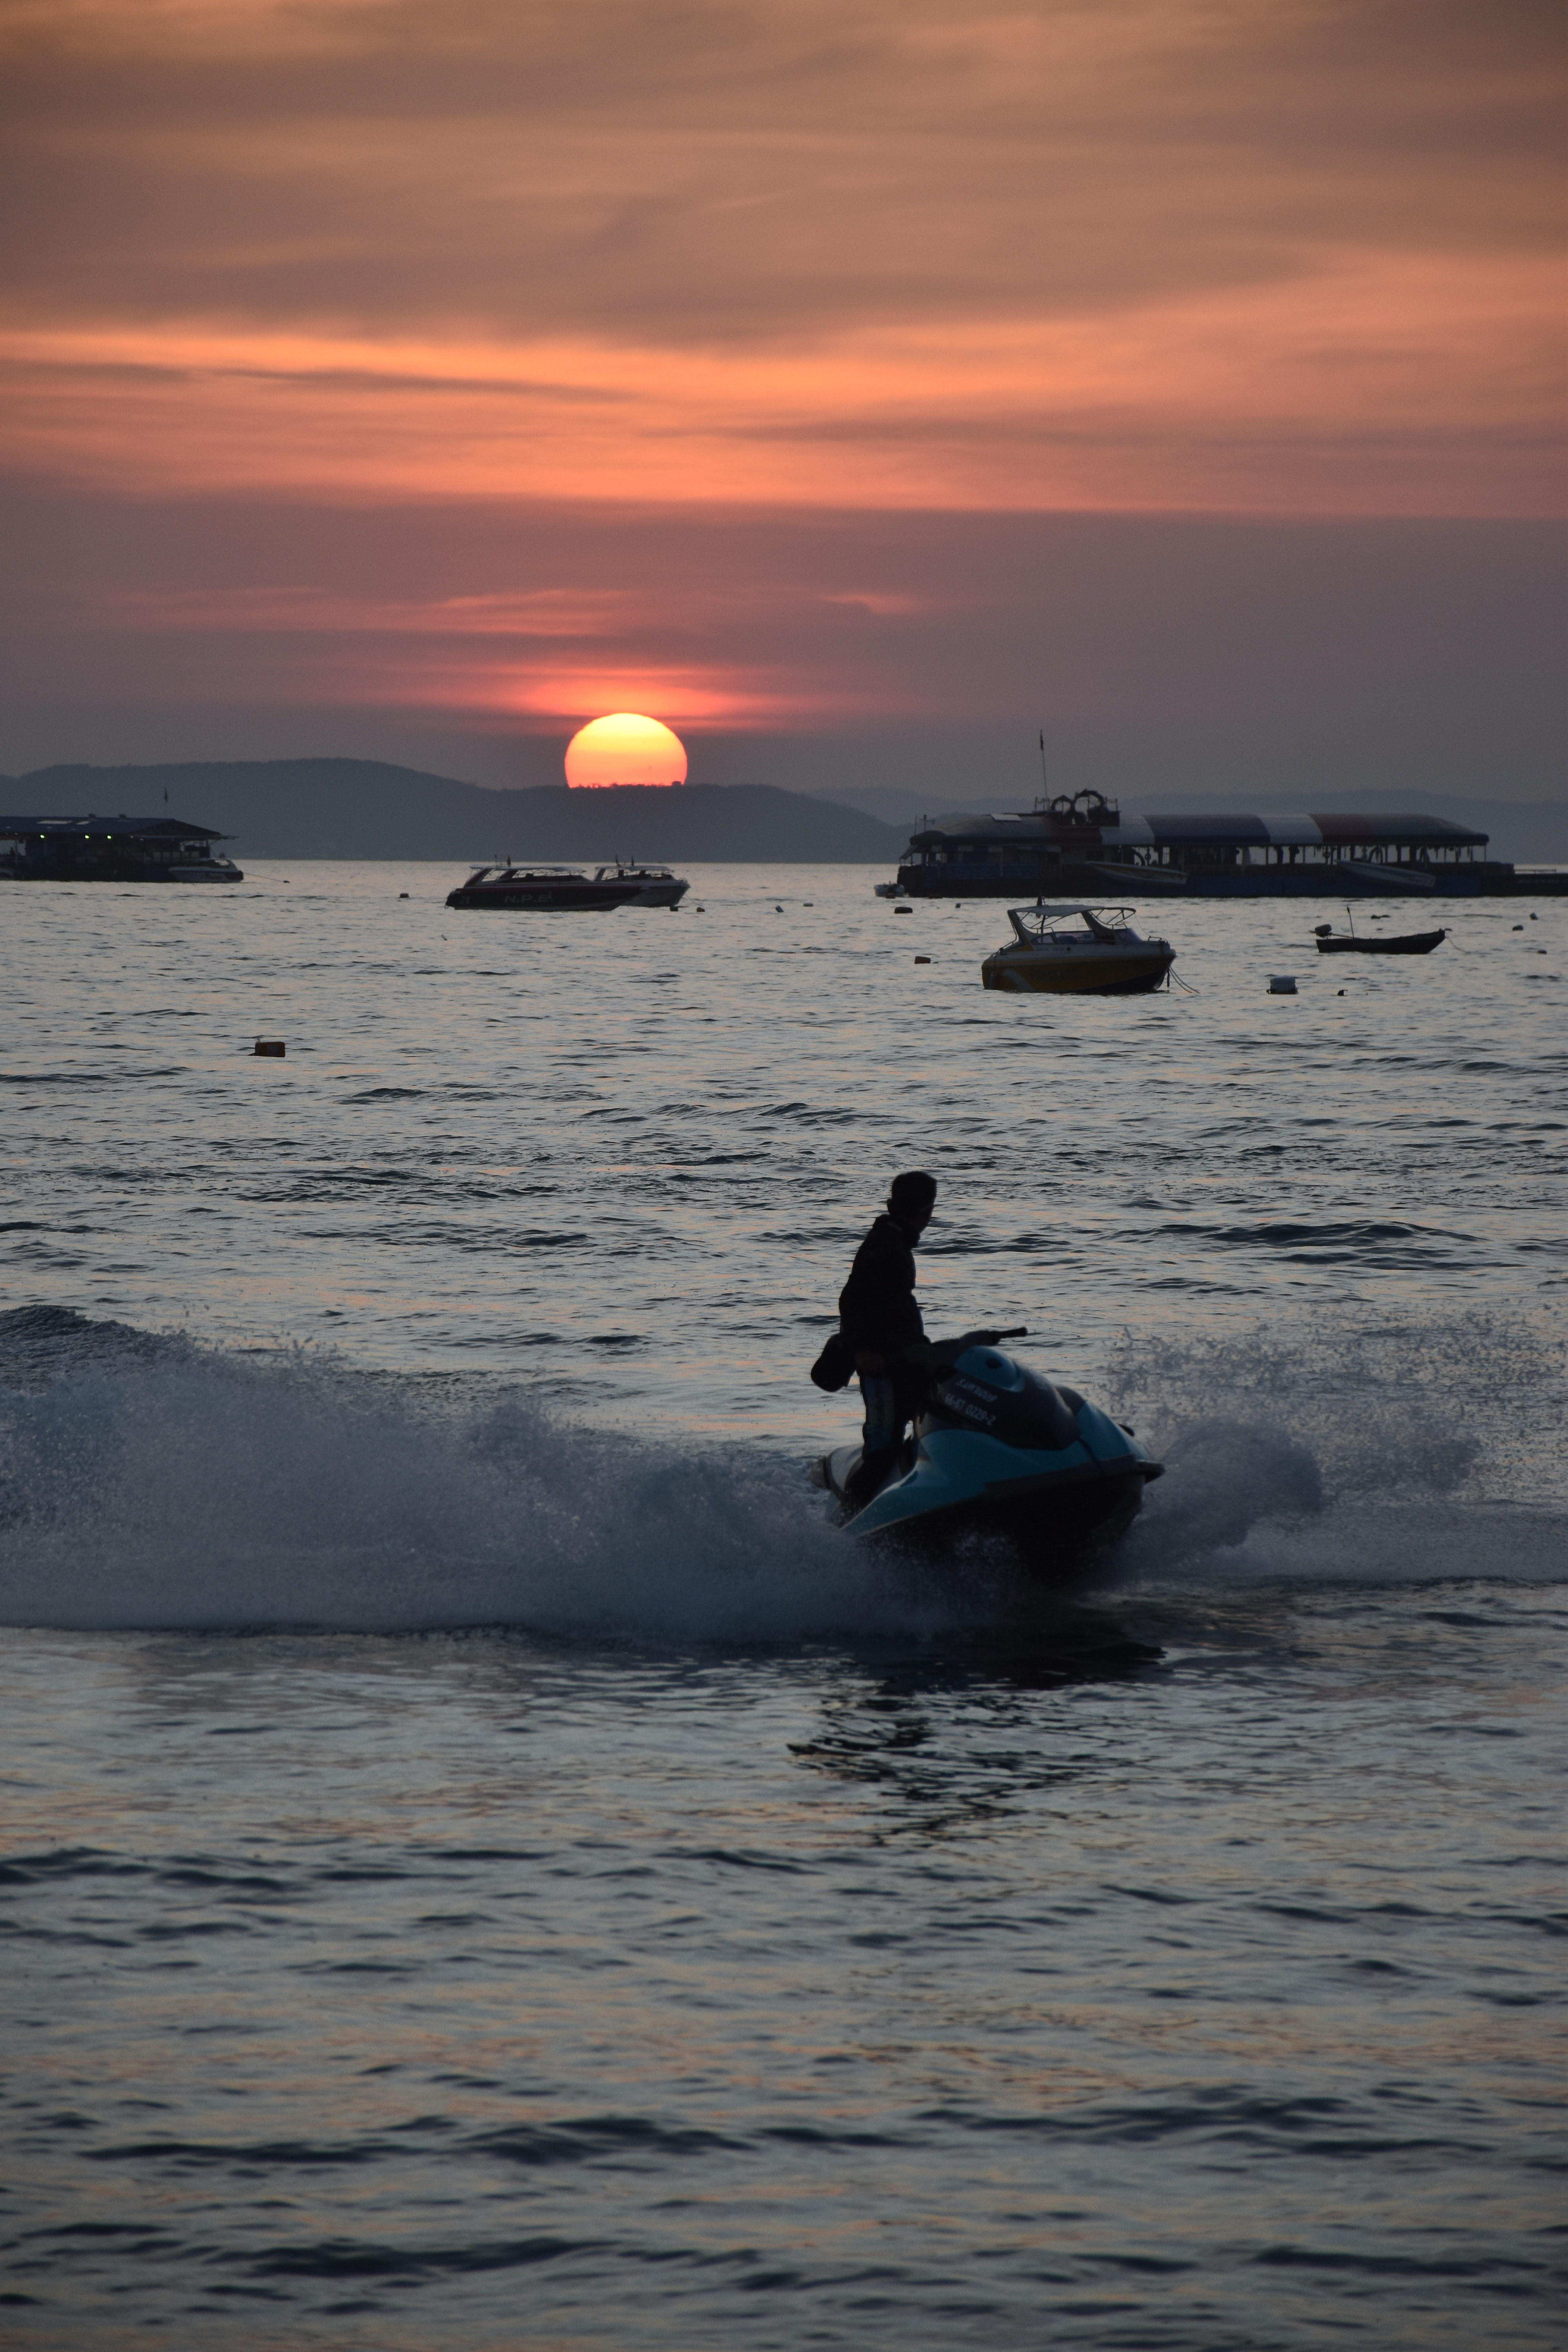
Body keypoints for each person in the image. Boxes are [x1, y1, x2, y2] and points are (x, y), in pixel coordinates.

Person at [837, 1170, 938, 1506]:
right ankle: (847, 1527)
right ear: (925, 1211)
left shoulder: (895, 1240)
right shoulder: (884, 1244)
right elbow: (851, 1300)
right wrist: (864, 1354)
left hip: (903, 1361)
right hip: (881, 1369)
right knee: (882, 1450)